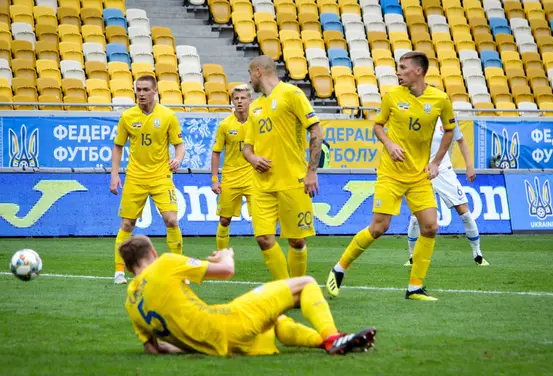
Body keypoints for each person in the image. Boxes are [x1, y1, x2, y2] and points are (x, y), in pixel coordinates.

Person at [325, 51, 457, 301]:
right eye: (398, 68)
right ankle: (339, 269)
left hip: (419, 175)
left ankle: (415, 287)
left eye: (403, 68)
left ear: (418, 71)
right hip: (391, 173)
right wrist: (389, 144)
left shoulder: (440, 99)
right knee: (379, 227)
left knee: (430, 227)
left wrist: (436, 162)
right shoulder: (392, 96)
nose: (398, 72)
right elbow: (377, 126)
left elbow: (450, 130)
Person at [121, 235, 376, 356]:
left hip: (221, 348)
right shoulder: (164, 264)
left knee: (276, 321)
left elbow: (154, 350)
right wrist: (225, 255)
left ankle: (331, 344)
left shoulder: (131, 303)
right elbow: (227, 270)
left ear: (129, 266)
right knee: (306, 283)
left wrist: (192, 346)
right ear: (153, 253)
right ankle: (332, 338)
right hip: (229, 323)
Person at [242, 55, 323, 280]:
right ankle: (286, 288)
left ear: (259, 71)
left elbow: (316, 131)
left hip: (293, 180)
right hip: (261, 184)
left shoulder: (292, 94)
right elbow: (247, 148)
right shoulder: (255, 107)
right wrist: (253, 159)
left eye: (250, 74)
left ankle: (297, 286)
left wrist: (311, 171)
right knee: (263, 238)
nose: (249, 81)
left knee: (297, 240)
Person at [109, 75, 186, 285]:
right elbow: (118, 146)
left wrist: (178, 159)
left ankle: (178, 270)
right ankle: (118, 272)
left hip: (161, 176)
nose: (141, 94)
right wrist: (114, 175)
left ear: (155, 91)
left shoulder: (168, 116)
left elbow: (179, 144)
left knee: (171, 220)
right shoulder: (127, 116)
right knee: (127, 223)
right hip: (135, 177)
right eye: (138, 90)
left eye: (145, 90)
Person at [404, 119, 490, 267]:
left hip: (444, 171)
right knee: (415, 217)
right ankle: (412, 257)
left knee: (464, 212)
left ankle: (478, 255)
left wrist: (469, 166)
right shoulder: (417, 115)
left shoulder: (447, 117)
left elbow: (461, 141)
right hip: (422, 172)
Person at [211, 85, 254, 250]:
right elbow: (216, 152)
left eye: (243, 98)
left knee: (261, 219)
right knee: (224, 220)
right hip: (230, 178)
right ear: (232, 102)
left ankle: (268, 255)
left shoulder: (258, 122)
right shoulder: (225, 125)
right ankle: (222, 256)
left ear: (250, 100)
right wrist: (215, 179)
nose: (240, 101)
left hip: (253, 178)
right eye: (236, 98)